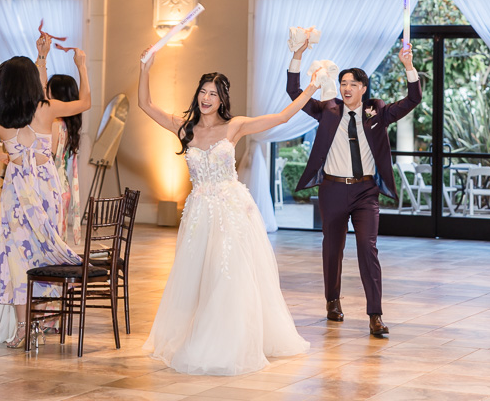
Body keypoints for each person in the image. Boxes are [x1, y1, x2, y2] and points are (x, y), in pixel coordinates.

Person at [139, 47, 320, 375]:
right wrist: (145, 68)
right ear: (197, 95)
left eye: (214, 93)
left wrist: (310, 88)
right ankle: (199, 335)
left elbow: (280, 118)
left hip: (231, 209)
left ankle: (230, 341)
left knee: (227, 273)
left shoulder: (234, 126)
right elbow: (145, 104)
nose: (207, 98)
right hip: (197, 213)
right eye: (203, 92)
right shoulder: (185, 128)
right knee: (198, 277)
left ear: (222, 99)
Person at [287, 40, 421, 337]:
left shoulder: (379, 111)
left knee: (367, 249)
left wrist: (409, 67)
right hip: (332, 190)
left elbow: (413, 100)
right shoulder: (327, 109)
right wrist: (297, 56)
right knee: (332, 249)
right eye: (342, 83)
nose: (346, 88)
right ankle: (332, 301)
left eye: (352, 83)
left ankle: (375, 315)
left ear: (363, 88)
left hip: (365, 193)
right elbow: (294, 93)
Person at [0, 48, 91, 348]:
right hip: (46, 188)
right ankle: (47, 319)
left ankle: (23, 329)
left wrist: (4, 153)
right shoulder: (46, 109)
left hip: (16, 190)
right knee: (45, 253)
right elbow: (85, 102)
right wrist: (82, 66)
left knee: (18, 258)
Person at [36, 33, 82, 245]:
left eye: (48, 92)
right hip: (63, 187)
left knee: (49, 241)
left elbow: (47, 159)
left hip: (52, 189)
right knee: (58, 239)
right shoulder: (67, 124)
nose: (45, 94)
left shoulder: (54, 125)